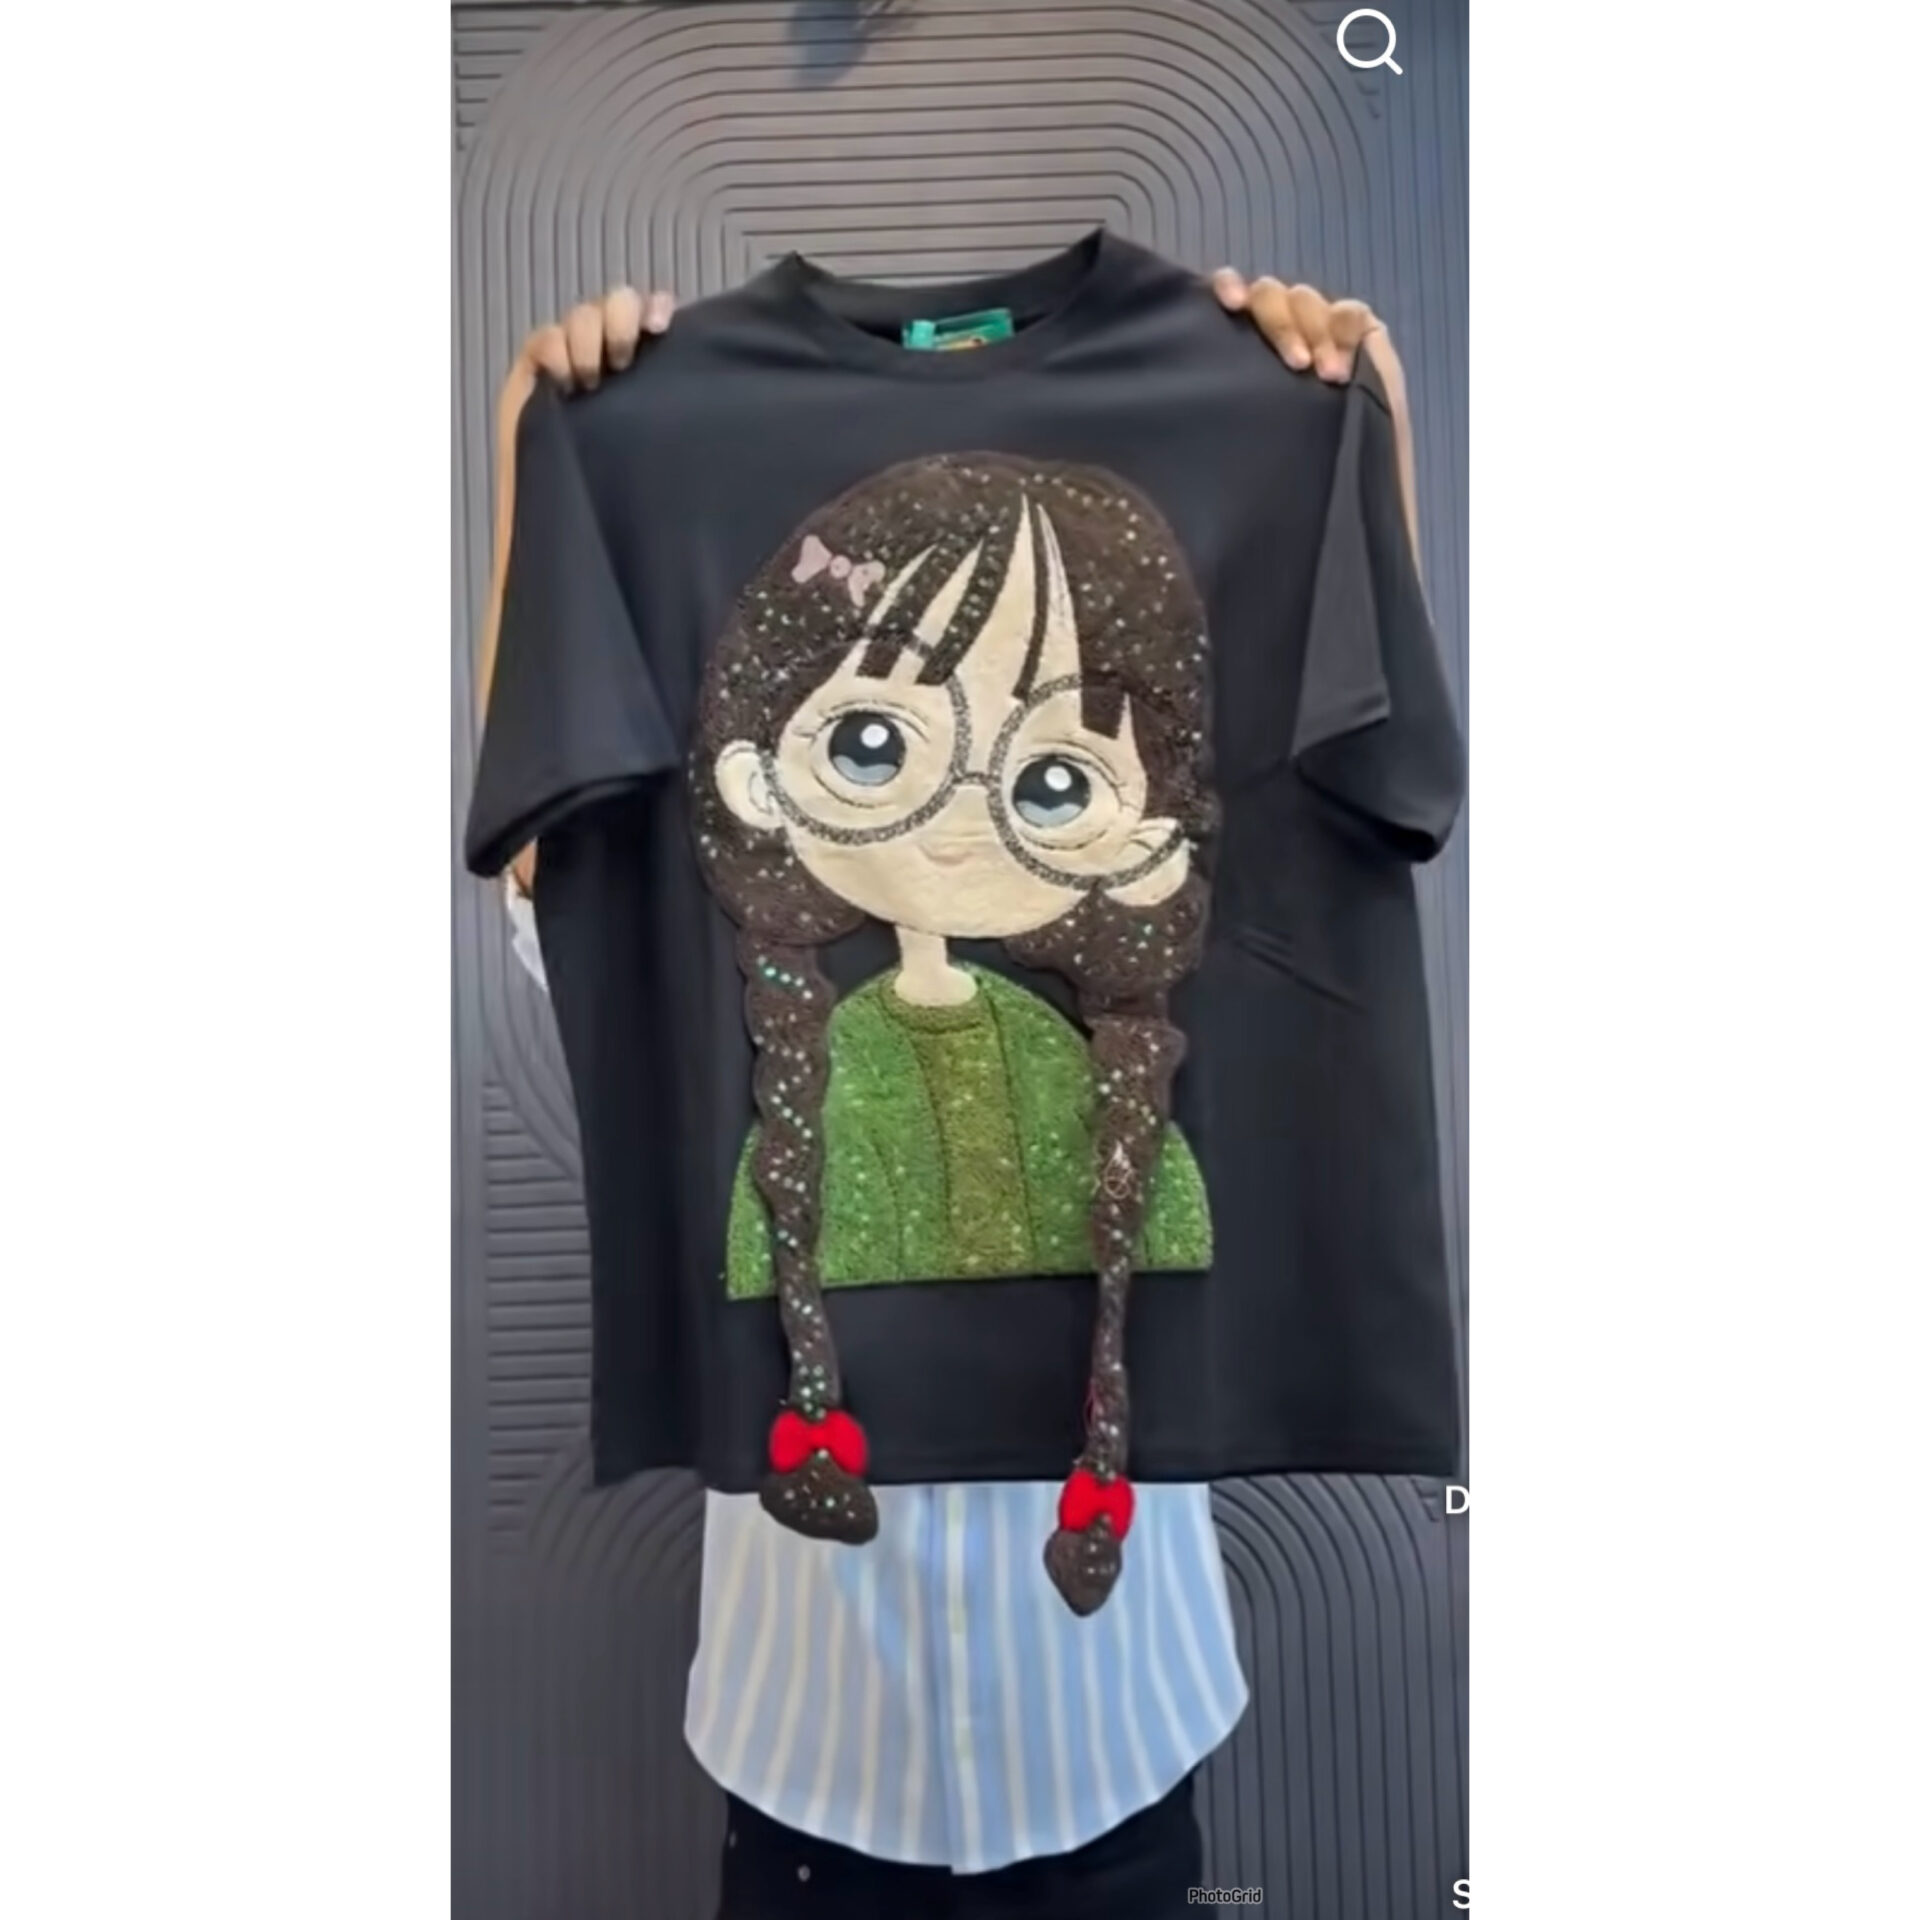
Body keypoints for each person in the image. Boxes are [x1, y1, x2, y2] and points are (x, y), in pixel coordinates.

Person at [481, 263, 1420, 1917]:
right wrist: (544, 463)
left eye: (1053, 775)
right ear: (756, 769)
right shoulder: (741, 976)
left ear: (1148, 819)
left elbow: (1375, 765)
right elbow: (553, 861)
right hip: (804, 1762)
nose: (966, 820)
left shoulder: (1126, 1027)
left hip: (1123, 1740)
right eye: (877, 748)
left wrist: (1350, 436)